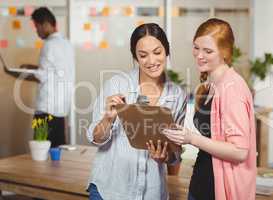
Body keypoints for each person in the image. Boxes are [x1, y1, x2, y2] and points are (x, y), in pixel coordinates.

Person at [86, 23, 187, 200]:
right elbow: (96, 138)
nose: (151, 61)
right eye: (143, 55)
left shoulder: (177, 95)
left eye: (157, 52)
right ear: (135, 57)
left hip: (152, 193)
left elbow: (175, 153)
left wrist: (164, 156)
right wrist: (108, 120)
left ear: (166, 51)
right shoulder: (117, 84)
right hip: (110, 190)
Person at [163, 18, 256, 200]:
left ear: (225, 52)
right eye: (196, 47)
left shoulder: (232, 89)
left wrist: (191, 138)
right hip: (202, 184)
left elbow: (240, 151)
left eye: (208, 51)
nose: (199, 55)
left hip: (219, 190)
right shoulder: (211, 84)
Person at [4, 7, 75, 147]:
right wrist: (32, 67)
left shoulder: (49, 45)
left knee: (41, 152)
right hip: (60, 110)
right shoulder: (66, 44)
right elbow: (54, 72)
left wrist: (14, 73)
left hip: (46, 110)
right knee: (57, 152)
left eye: (37, 27)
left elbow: (41, 77)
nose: (37, 32)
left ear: (46, 24)